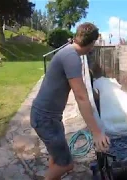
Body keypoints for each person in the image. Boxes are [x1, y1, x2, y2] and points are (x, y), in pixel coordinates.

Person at [30, 22, 110, 180]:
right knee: (66, 164)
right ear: (92, 43)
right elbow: (81, 97)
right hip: (46, 119)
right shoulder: (71, 57)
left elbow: (83, 94)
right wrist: (97, 132)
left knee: (57, 158)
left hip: (49, 117)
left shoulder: (67, 53)